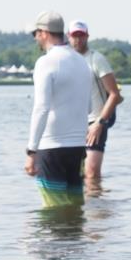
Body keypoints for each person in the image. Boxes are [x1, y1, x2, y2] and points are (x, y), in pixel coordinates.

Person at [24, 11, 93, 207]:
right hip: (78, 147)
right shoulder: (82, 62)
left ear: (44, 32)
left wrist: (31, 151)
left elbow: (41, 108)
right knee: (74, 206)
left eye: (35, 33)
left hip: (51, 147)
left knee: (54, 208)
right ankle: (76, 238)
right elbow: (88, 107)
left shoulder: (45, 62)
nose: (35, 38)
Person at [68, 20, 122, 182]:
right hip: (74, 124)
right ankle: (80, 206)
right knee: (77, 174)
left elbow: (115, 95)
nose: (78, 39)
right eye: (74, 36)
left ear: (87, 37)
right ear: (68, 37)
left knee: (92, 174)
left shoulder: (96, 59)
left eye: (81, 35)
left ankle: (97, 206)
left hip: (96, 122)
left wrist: (99, 123)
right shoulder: (66, 60)